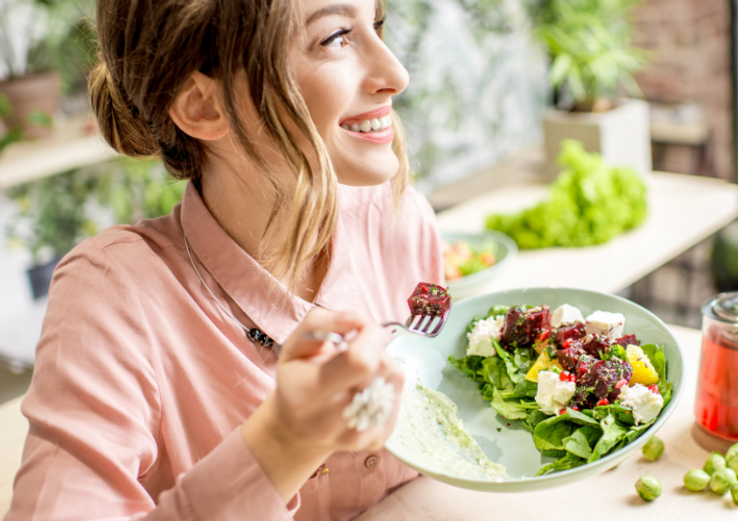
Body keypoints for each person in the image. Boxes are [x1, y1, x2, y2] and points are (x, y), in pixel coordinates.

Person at [5, 0, 443, 519]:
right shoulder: (112, 296)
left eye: (377, 25)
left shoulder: (400, 219)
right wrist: (283, 443)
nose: (397, 73)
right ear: (202, 107)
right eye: (335, 38)